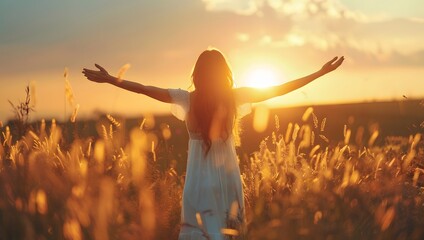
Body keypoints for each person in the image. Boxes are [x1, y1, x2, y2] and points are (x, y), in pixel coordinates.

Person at [82, 49, 344, 239]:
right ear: (224, 74)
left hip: (197, 181)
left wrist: (111, 79)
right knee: (228, 231)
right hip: (227, 179)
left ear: (197, 74)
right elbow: (280, 88)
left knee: (199, 232)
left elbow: (143, 88)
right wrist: (319, 73)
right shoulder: (234, 97)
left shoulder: (186, 99)